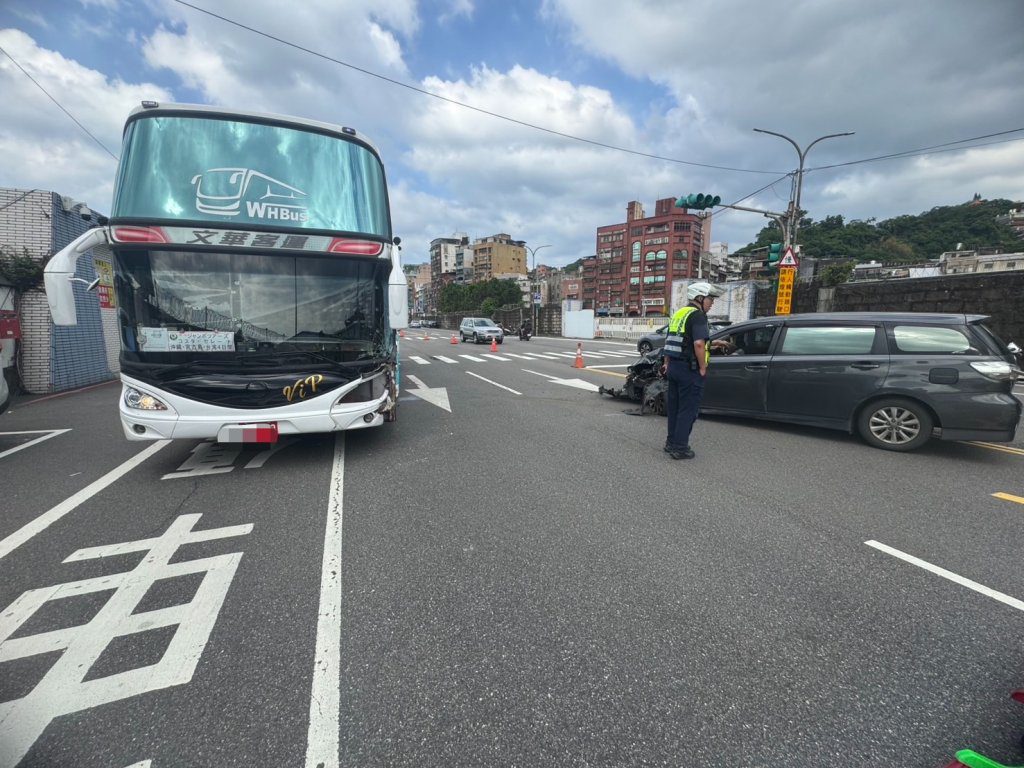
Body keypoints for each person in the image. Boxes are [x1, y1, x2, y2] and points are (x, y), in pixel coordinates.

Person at [661, 281, 724, 459]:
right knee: (688, 410)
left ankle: (671, 442)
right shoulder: (698, 316)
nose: (712, 303)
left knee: (674, 408)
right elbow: (697, 343)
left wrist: (667, 363)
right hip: (689, 370)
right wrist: (702, 368)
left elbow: (671, 341)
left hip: (673, 366)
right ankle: (680, 448)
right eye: (710, 299)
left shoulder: (679, 313)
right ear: (699, 297)